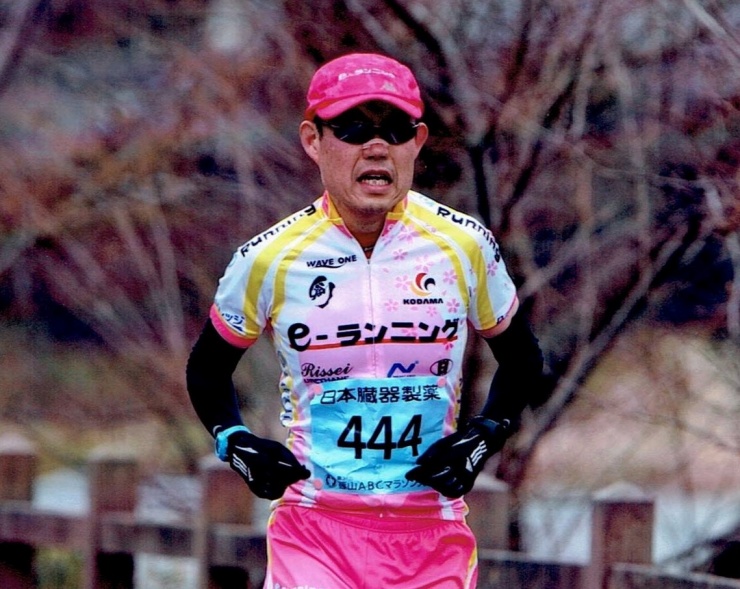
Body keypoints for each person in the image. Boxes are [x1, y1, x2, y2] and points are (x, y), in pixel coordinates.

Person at [186, 52, 544, 589]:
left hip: (430, 532)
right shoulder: (268, 258)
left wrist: (484, 434)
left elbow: (522, 360)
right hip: (315, 529)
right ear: (313, 140)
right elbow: (207, 369)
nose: (377, 146)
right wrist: (233, 440)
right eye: (353, 128)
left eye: (395, 129)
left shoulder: (463, 245)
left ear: (417, 143)